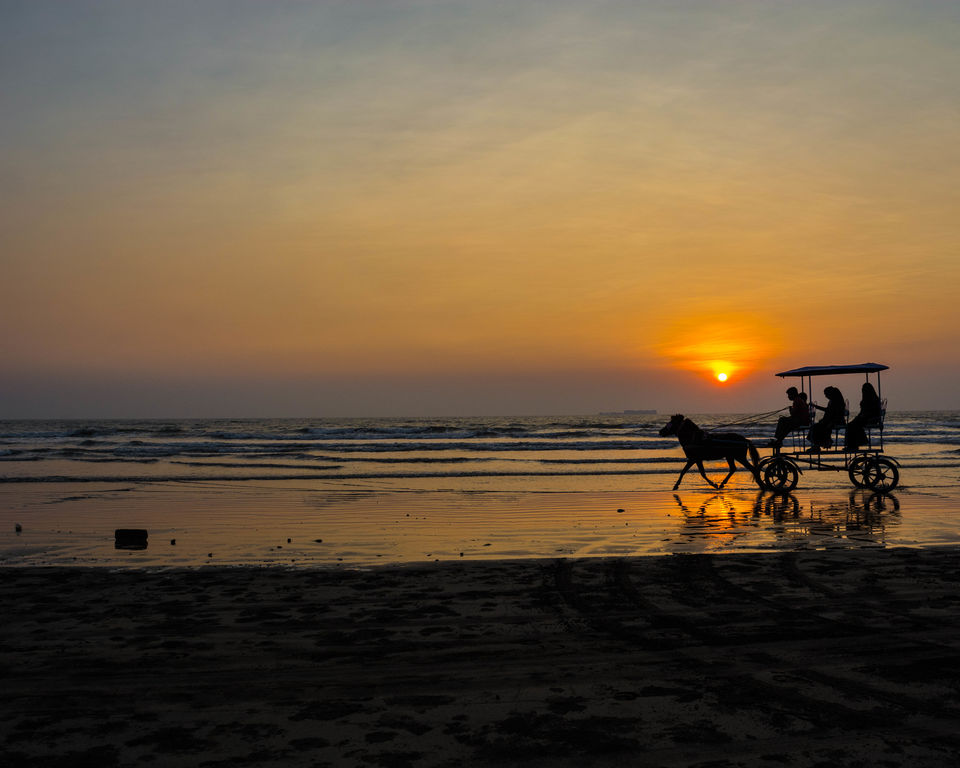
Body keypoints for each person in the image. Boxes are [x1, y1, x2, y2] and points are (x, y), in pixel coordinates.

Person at [844, 382, 882, 451]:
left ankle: (854, 445)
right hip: (865, 417)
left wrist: (862, 416)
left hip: (870, 418)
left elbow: (871, 412)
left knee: (853, 425)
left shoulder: (873, 400)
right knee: (849, 425)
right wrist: (859, 416)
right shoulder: (867, 399)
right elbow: (862, 412)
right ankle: (852, 444)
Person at [807, 386, 846, 451]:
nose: (825, 396)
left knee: (817, 427)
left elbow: (836, 414)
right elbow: (828, 410)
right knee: (816, 427)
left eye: (826, 394)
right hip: (830, 420)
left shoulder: (837, 402)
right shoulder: (832, 401)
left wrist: (829, 421)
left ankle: (819, 444)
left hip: (836, 421)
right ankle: (818, 444)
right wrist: (816, 407)